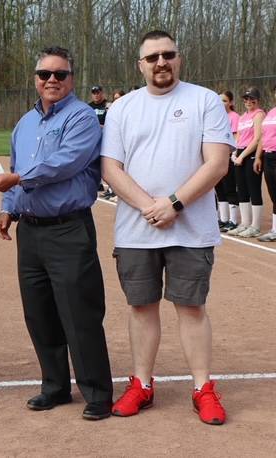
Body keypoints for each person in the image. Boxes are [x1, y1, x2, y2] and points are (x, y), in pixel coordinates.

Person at [101, 30, 233, 425]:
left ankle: (202, 387)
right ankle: (141, 383)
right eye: (153, 57)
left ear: (179, 58)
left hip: (191, 229)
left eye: (168, 55)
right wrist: (149, 207)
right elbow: (111, 167)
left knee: (191, 307)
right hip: (136, 229)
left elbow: (217, 164)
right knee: (140, 306)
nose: (161, 62)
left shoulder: (204, 100)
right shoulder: (123, 108)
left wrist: (174, 204)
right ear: (140, 64)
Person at [0, 46, 113, 421]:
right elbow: (15, 166)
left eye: (60, 74)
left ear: (72, 79)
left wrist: (20, 179)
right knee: (39, 313)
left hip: (68, 229)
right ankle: (55, 386)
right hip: (32, 231)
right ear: (36, 79)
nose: (52, 80)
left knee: (79, 312)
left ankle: (97, 393)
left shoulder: (82, 118)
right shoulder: (24, 124)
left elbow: (65, 163)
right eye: (45, 74)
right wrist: (8, 207)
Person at [226, 87, 265, 237]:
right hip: (241, 152)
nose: (249, 101)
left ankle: (255, 226)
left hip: (252, 154)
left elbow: (257, 139)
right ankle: (245, 223)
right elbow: (238, 138)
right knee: (241, 189)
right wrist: (235, 153)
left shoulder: (259, 114)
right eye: (246, 99)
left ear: (257, 100)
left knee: (253, 189)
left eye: (252, 99)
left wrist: (243, 156)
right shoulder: (243, 117)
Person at [216, 91, 241, 232]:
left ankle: (233, 220)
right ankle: (223, 219)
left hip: (228, 157)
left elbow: (236, 136)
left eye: (224, 101)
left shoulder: (234, 117)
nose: (221, 103)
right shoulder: (217, 117)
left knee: (229, 188)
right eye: (219, 100)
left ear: (230, 102)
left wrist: (231, 153)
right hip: (217, 158)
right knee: (220, 189)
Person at [255, 85, 276, 241]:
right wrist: (258, 157)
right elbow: (263, 136)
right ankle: (275, 229)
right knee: (273, 193)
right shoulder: (271, 113)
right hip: (268, 156)